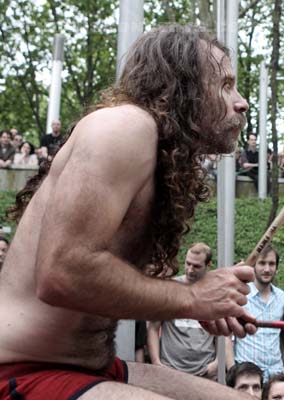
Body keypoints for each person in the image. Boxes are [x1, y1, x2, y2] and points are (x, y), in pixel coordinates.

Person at [0, 25, 258, 400]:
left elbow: (111, 282)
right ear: (181, 87)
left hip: (92, 368)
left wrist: (200, 302)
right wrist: (192, 299)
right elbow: (62, 274)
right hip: (22, 372)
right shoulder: (124, 126)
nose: (241, 101)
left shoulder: (158, 156)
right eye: (225, 84)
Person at [147, 243, 222, 378]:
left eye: (196, 266)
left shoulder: (214, 293)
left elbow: (222, 332)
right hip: (171, 370)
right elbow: (153, 327)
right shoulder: (170, 289)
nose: (190, 270)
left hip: (204, 371)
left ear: (208, 265)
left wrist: (217, 362)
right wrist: (156, 363)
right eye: (188, 264)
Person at [229, 245, 284, 381]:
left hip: (276, 372)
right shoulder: (240, 294)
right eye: (262, 263)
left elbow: (280, 335)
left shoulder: (282, 297)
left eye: (271, 264)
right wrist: (232, 370)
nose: (267, 269)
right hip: (246, 373)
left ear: (277, 267)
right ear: (254, 266)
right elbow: (227, 337)